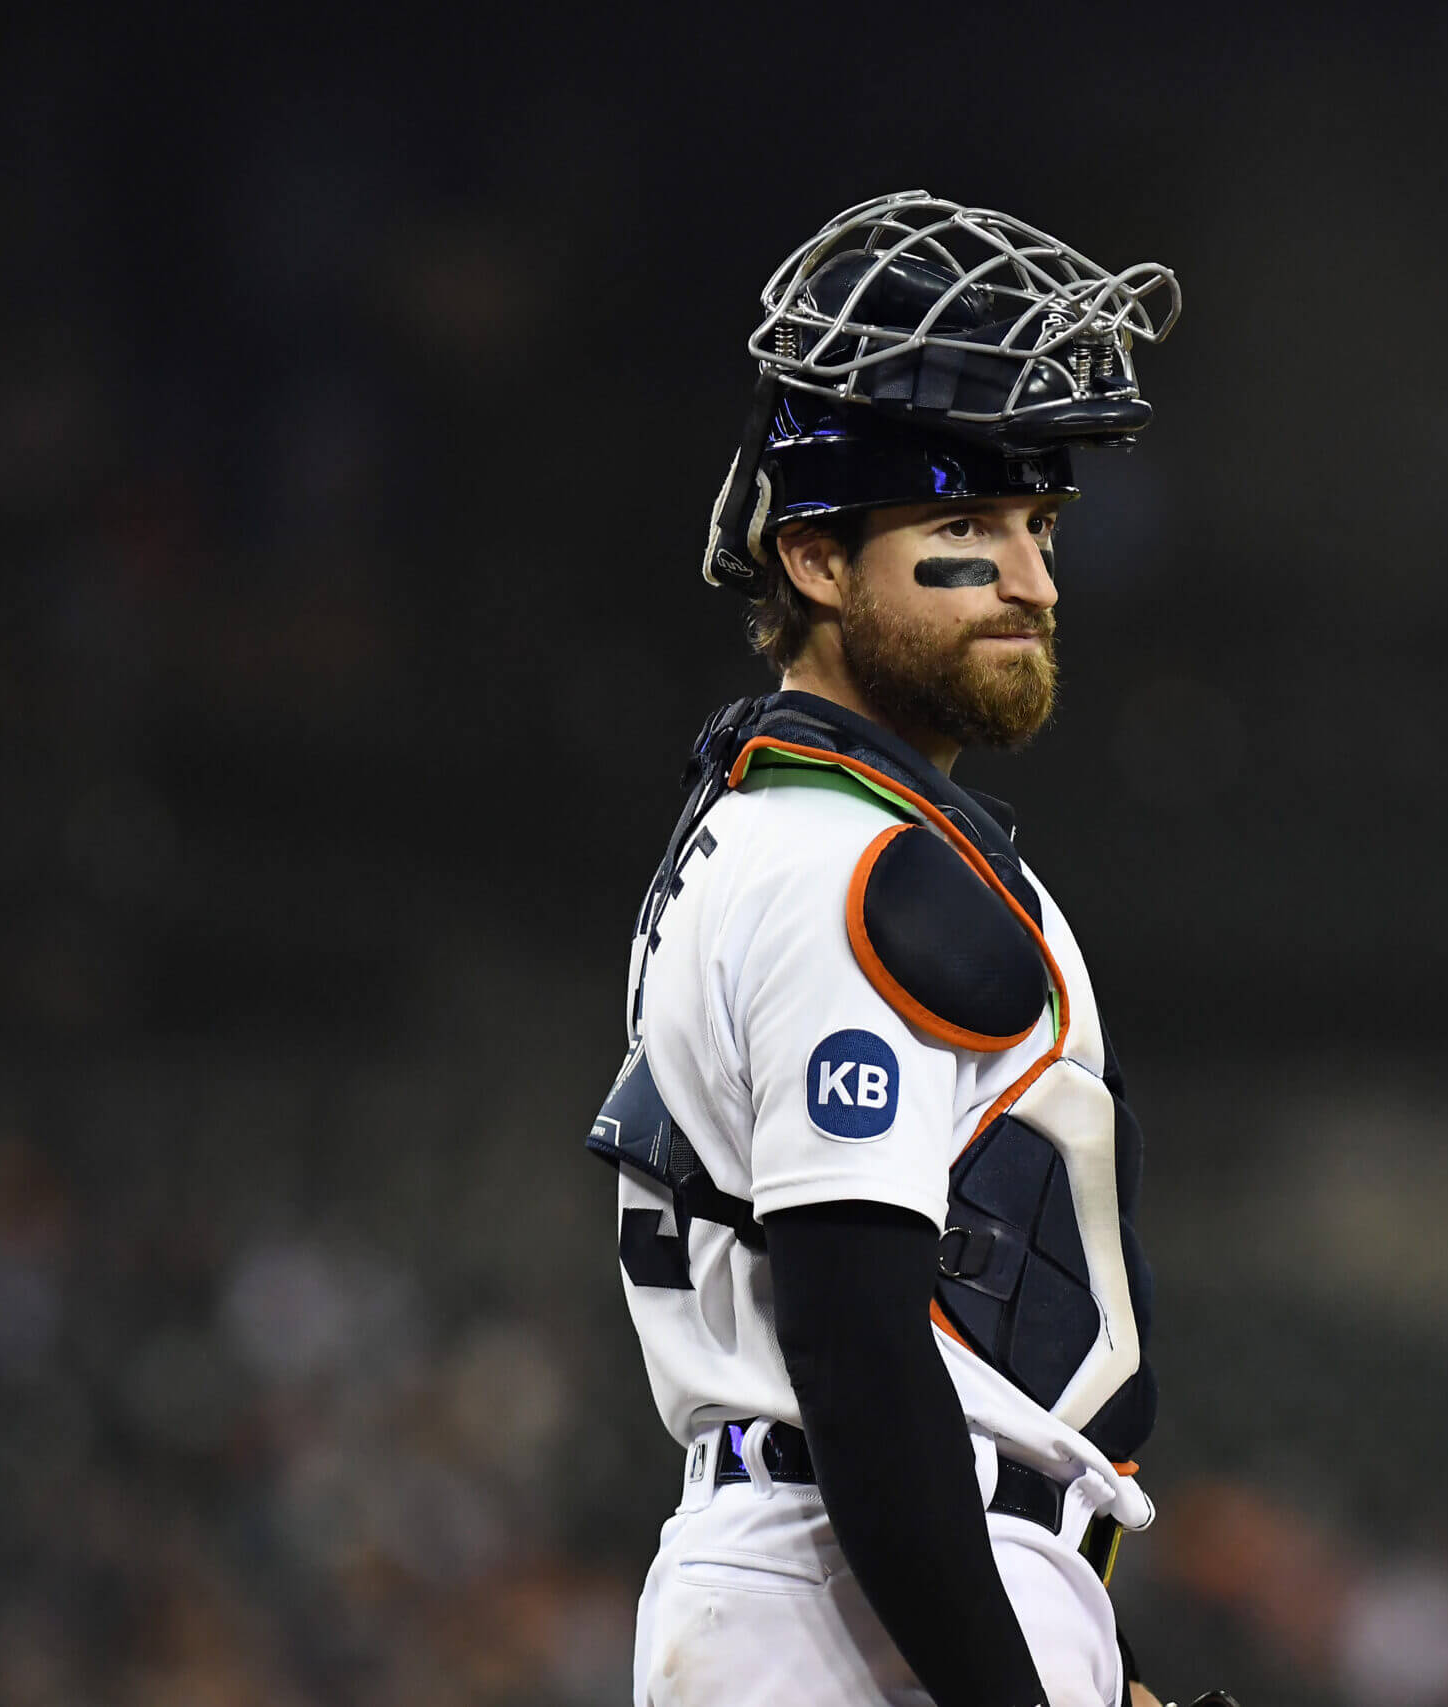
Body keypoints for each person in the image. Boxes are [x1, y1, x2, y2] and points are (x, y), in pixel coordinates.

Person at [583, 192, 1209, 1707]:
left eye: (1037, 527)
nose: (1035, 581)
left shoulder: (797, 823)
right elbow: (860, 1353)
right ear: (814, 560)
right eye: (964, 529)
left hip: (865, 1585)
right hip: (849, 1597)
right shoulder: (846, 871)